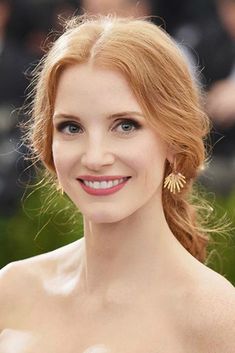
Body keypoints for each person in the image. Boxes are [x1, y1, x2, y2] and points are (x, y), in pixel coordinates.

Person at [0, 14, 234, 352]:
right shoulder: (12, 288)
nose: (95, 157)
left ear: (173, 139)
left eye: (125, 126)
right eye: (71, 127)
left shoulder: (216, 317)